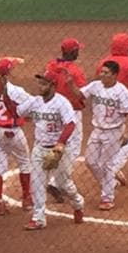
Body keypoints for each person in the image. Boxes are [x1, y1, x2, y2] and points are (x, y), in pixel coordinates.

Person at [0, 73, 84, 229]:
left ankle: (78, 203)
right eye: (39, 83)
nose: (40, 86)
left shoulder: (62, 103)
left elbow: (70, 124)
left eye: (44, 84)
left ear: (52, 85)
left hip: (60, 150)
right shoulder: (35, 101)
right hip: (40, 148)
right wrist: (5, 93)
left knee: (63, 184)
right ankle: (38, 218)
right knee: (37, 183)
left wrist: (60, 144)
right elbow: (15, 111)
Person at [73, 60, 128, 210]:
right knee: (91, 161)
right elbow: (80, 94)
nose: (102, 75)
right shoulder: (96, 86)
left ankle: (107, 197)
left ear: (114, 75)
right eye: (102, 72)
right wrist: (70, 84)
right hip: (97, 130)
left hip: (114, 132)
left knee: (106, 165)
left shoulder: (122, 91)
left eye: (106, 73)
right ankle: (110, 184)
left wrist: (127, 132)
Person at [0, 58, 33, 214]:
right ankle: (26, 199)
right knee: (25, 163)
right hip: (12, 131)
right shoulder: (16, 90)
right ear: (10, 71)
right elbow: (30, 107)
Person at [93, 33, 128, 188]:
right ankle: (113, 167)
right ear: (127, 47)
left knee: (107, 136)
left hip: (104, 105)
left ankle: (107, 164)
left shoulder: (103, 62)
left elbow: (98, 81)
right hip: (124, 106)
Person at [42, 37, 88, 202]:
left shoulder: (51, 67)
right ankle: (57, 181)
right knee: (72, 150)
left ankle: (50, 178)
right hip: (71, 114)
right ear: (72, 52)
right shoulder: (75, 72)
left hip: (53, 113)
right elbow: (82, 95)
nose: (78, 52)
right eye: (77, 49)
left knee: (56, 145)